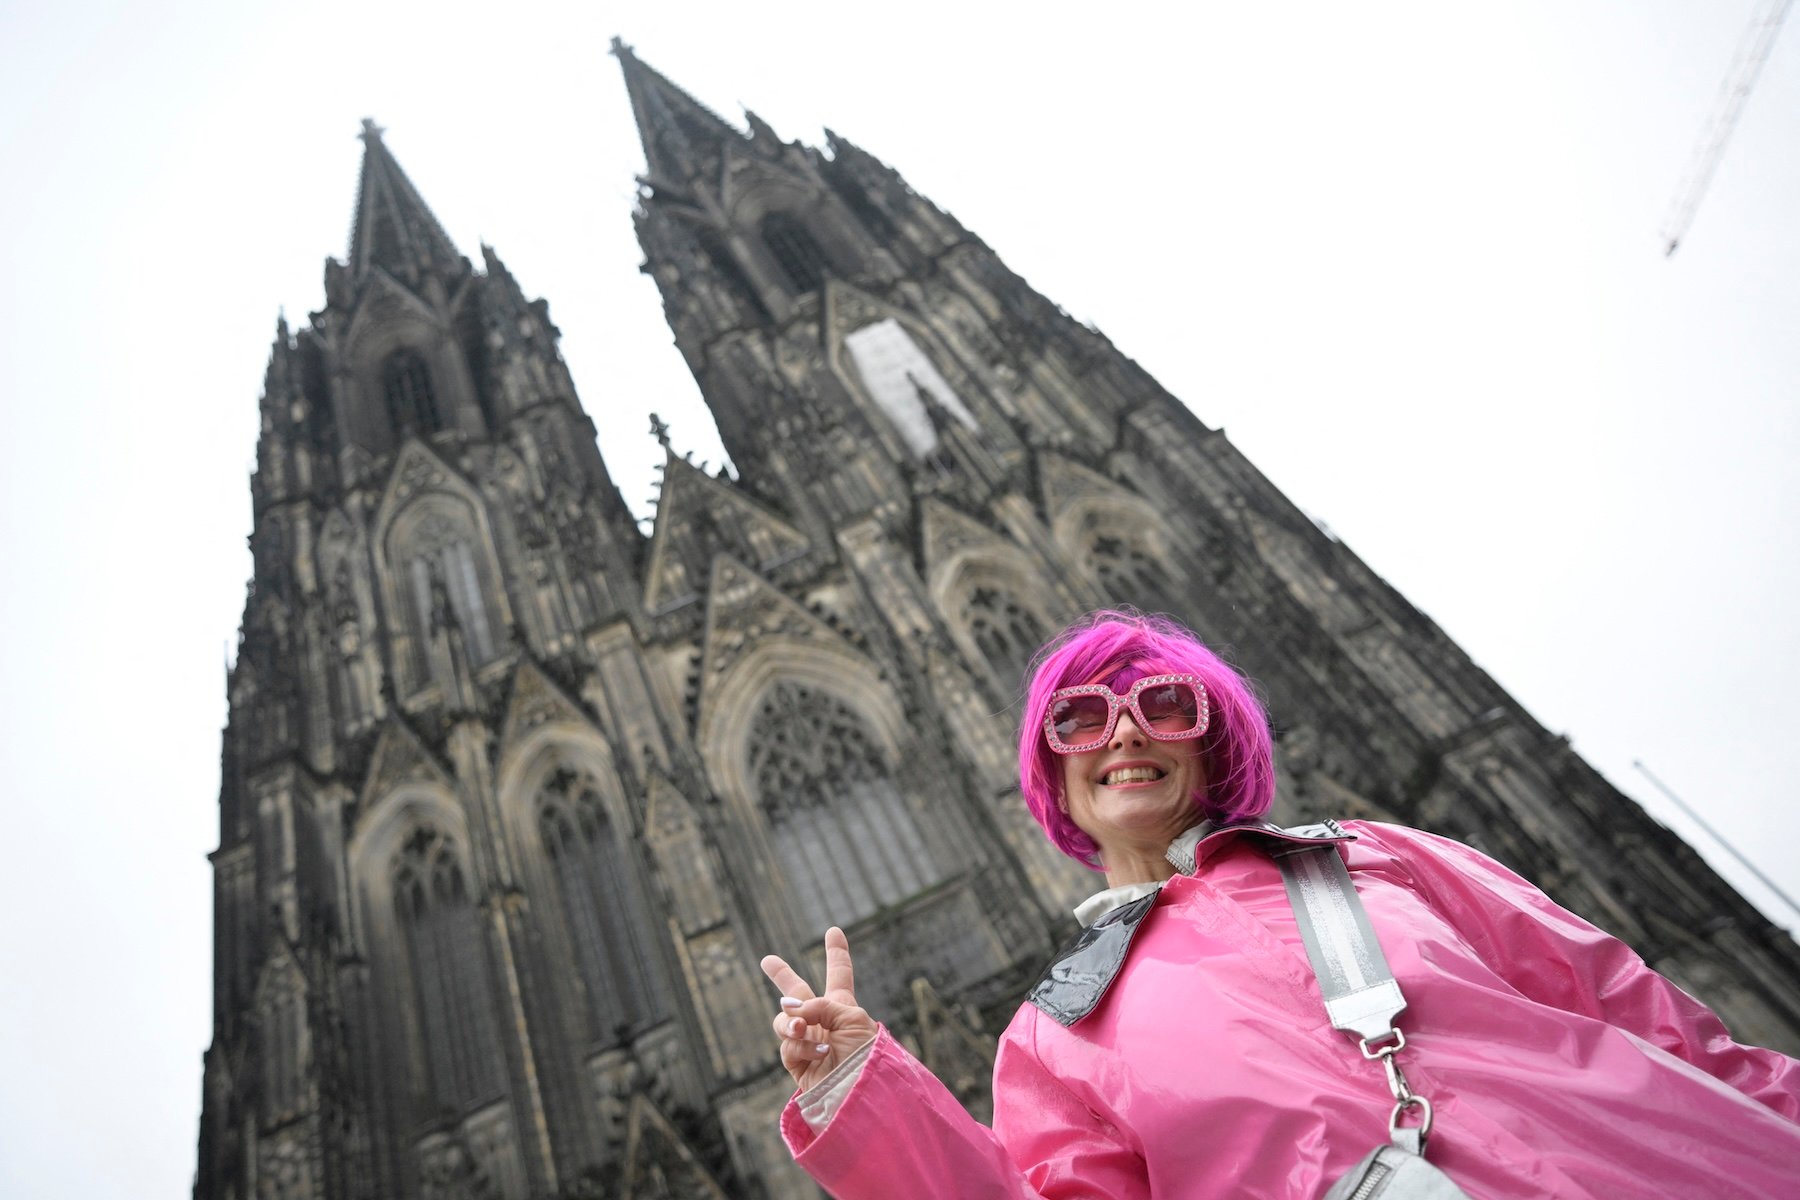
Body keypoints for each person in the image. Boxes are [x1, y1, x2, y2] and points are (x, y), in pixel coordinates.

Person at [758, 610, 1800, 1199]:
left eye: (1164, 705)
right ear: (1055, 779)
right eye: (1081, 720)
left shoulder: (1382, 856)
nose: (1125, 734)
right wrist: (868, 1092)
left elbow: (1646, 1017)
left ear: (1211, 743)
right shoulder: (1055, 1037)